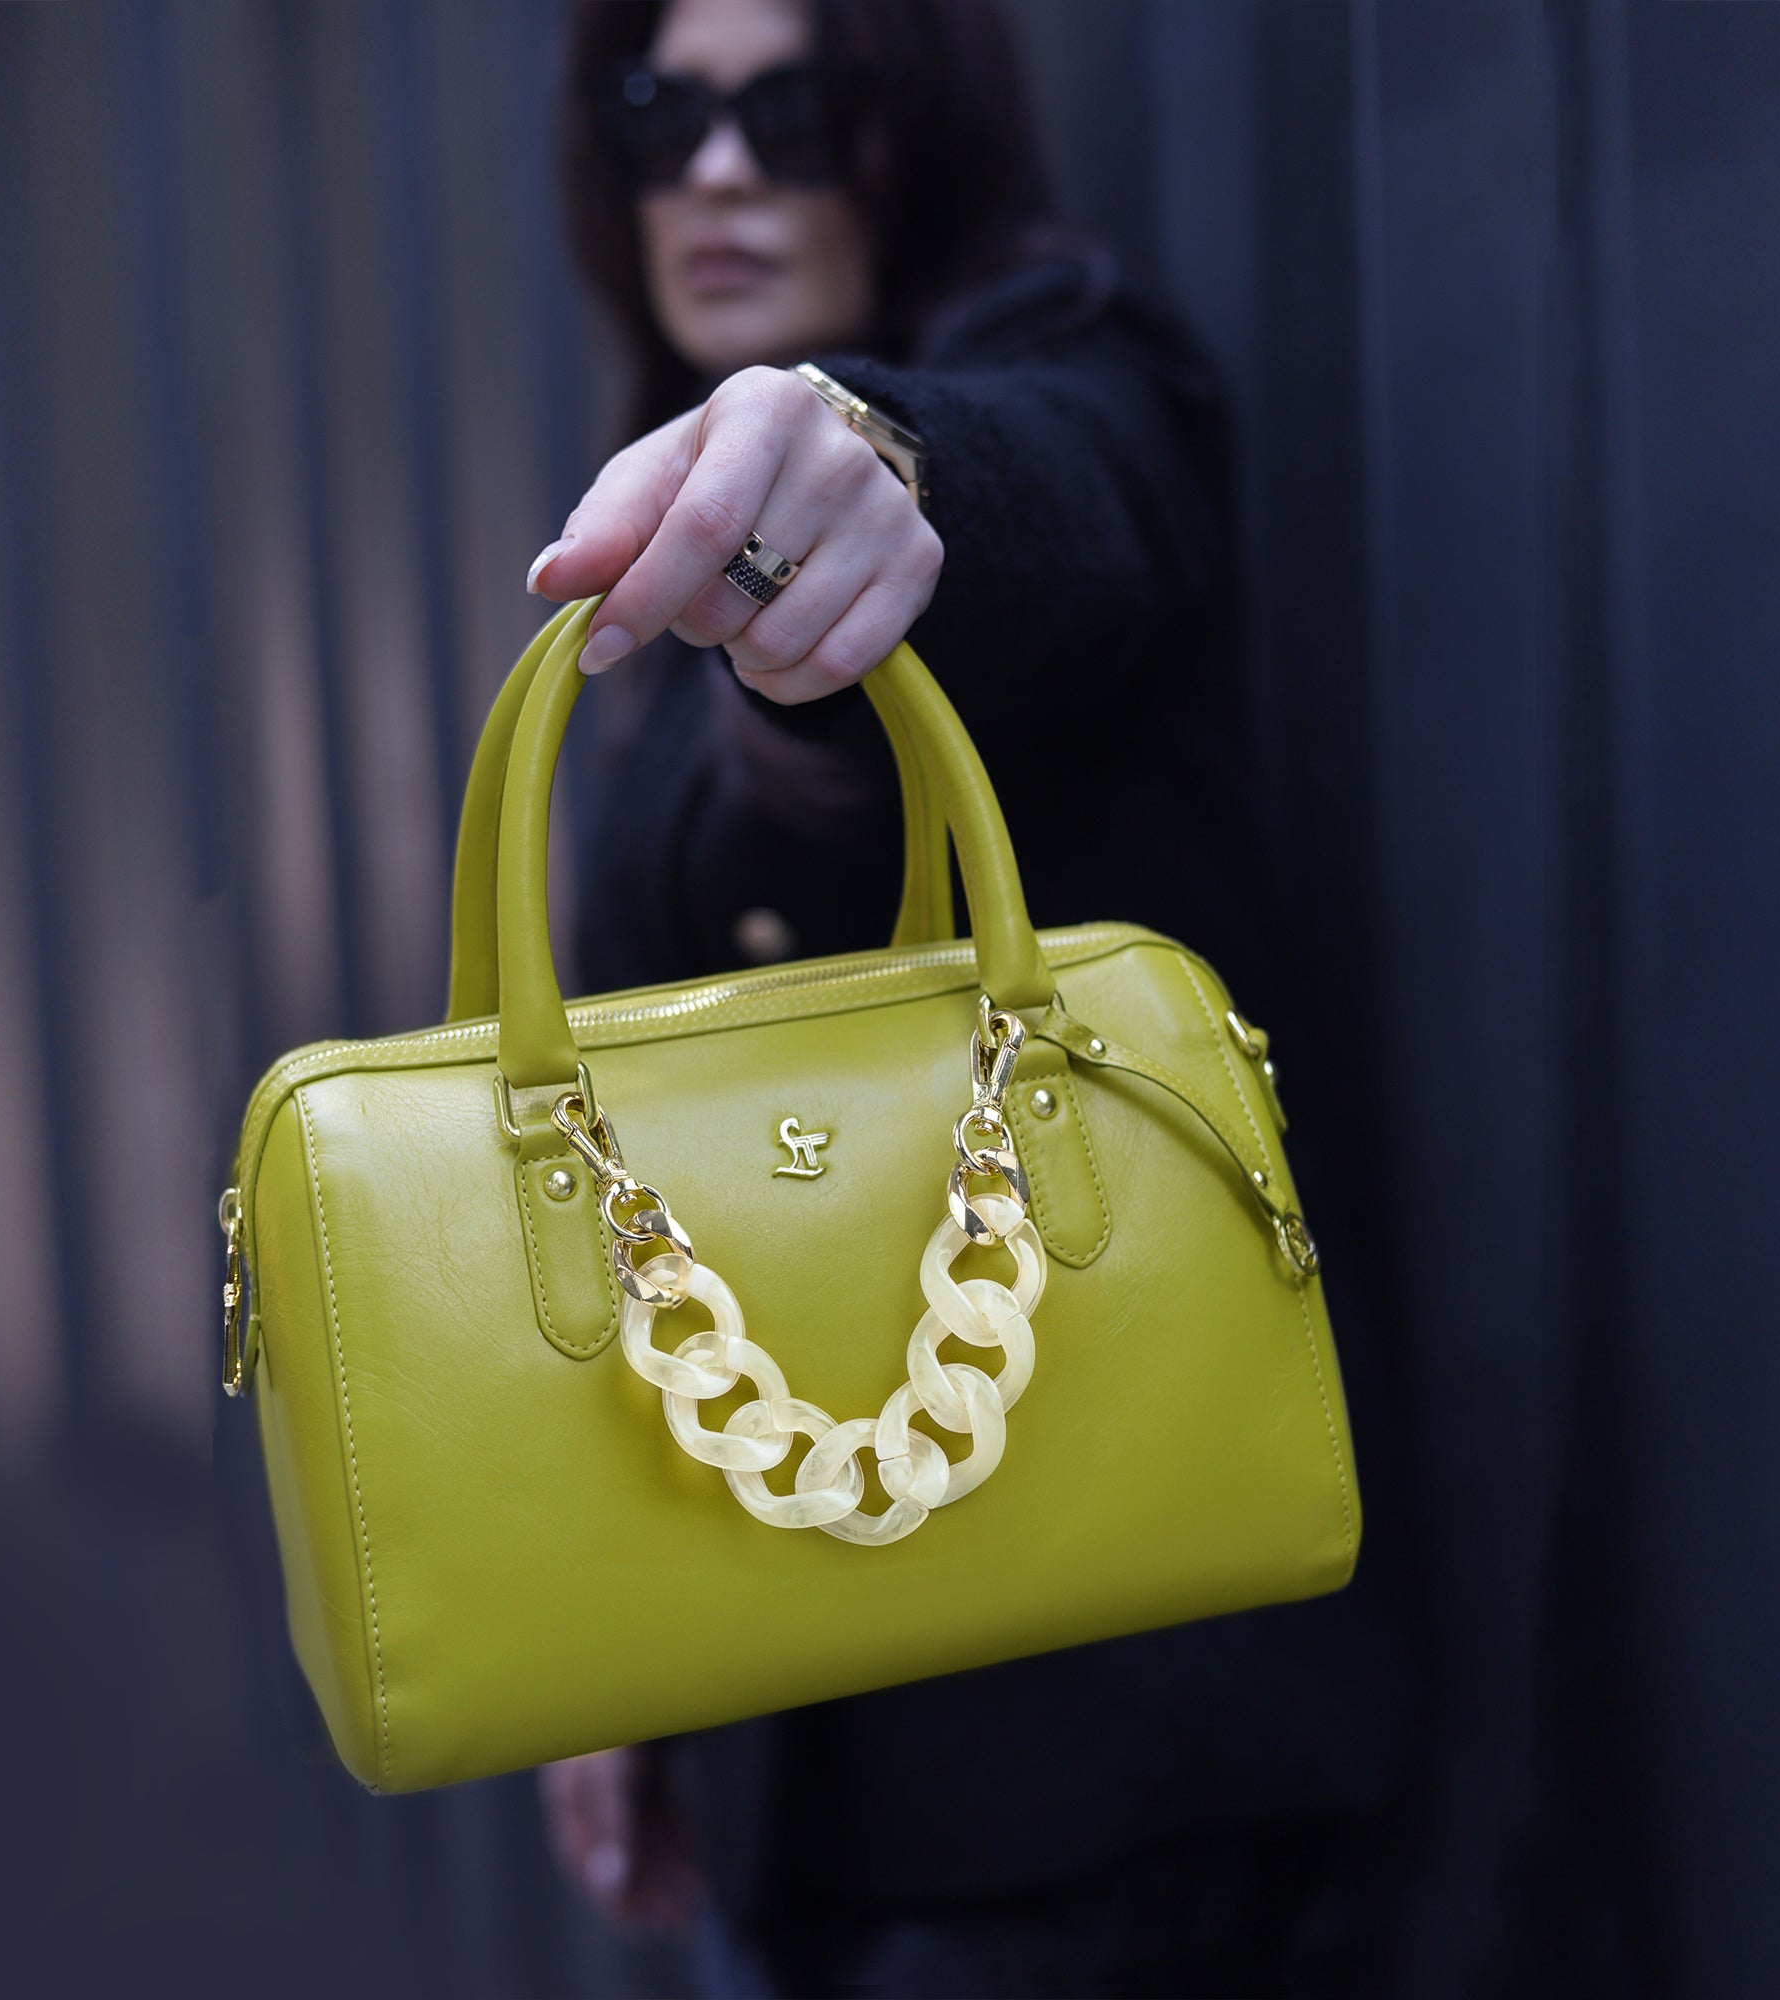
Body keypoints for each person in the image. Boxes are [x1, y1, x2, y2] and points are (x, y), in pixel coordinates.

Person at [532, 1, 1412, 1992]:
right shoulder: (635, 597)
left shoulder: (1084, 367)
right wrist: (618, 1652)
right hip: (794, 1777)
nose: (721, 172)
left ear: (914, 135)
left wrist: (861, 456)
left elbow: (1062, 498)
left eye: (796, 111)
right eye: (662, 114)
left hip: (1086, 1801)